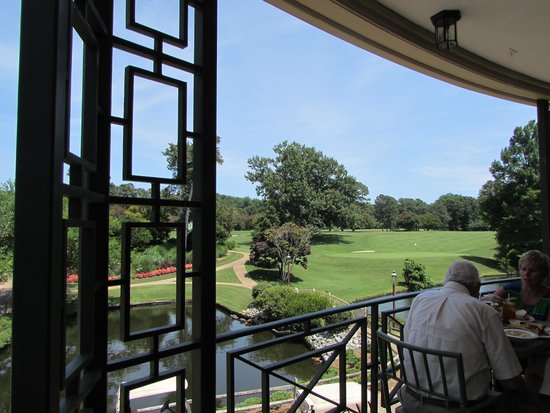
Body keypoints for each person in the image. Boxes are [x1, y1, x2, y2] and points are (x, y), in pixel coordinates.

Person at [401, 260, 541, 412]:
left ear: (447, 281)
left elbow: (407, 342)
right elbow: (510, 379)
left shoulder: (420, 299)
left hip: (410, 398)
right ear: (477, 286)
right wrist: (533, 400)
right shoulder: (484, 312)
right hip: (456, 408)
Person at [487, 250, 550, 321]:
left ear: (544, 273)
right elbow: (482, 306)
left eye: (532, 270)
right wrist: (491, 299)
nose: (526, 274)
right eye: (523, 269)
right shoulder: (511, 289)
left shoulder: (548, 298)